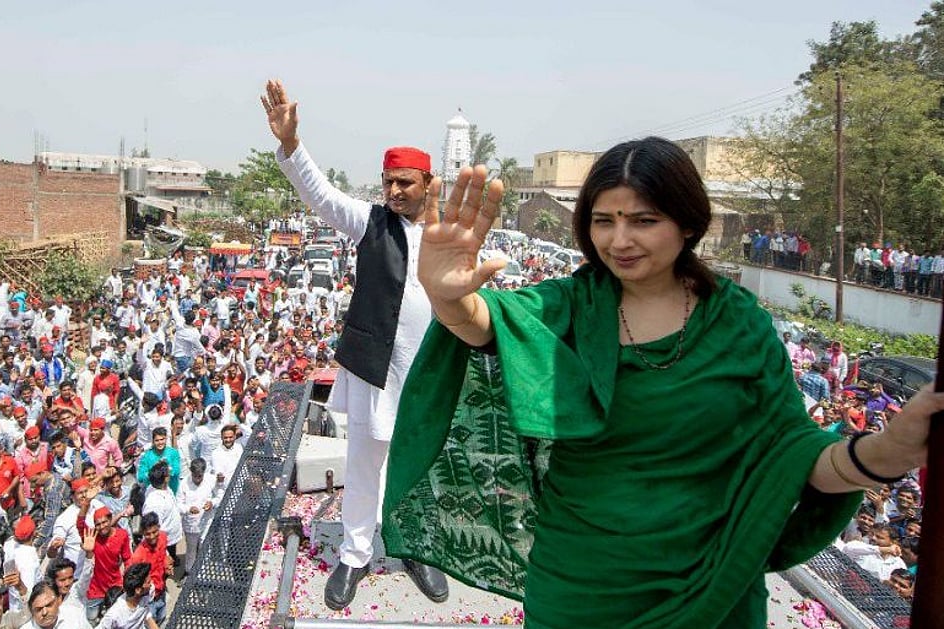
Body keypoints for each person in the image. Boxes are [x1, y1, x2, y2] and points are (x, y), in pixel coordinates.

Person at [384, 137, 944, 627]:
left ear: (689, 222)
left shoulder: (740, 327)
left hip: (708, 582)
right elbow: (482, 325)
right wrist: (447, 295)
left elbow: (792, 458)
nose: (620, 239)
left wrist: (883, 454)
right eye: (604, 221)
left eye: (644, 220)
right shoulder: (569, 306)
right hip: (580, 585)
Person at [262, 79, 448, 609]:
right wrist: (292, 145)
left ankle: (415, 549)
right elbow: (318, 194)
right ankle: (355, 554)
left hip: (427, 374)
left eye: (405, 183)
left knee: (419, 469)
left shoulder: (448, 233)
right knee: (363, 466)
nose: (393, 191)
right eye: (388, 181)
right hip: (375, 370)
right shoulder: (369, 222)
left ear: (428, 184)